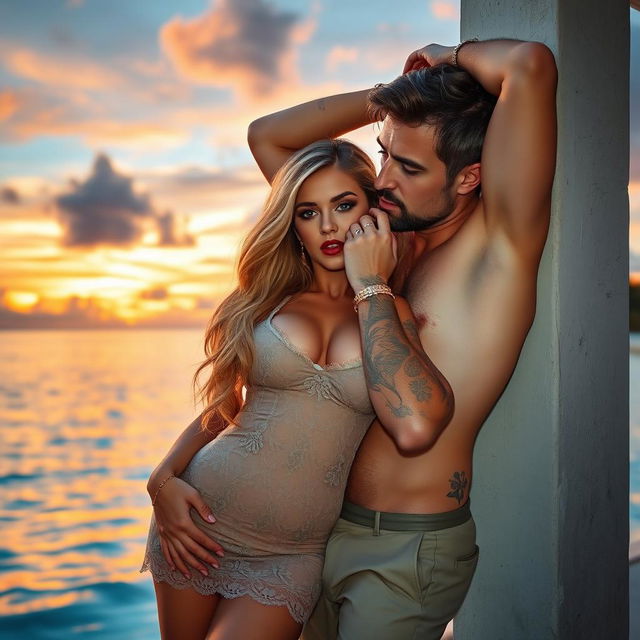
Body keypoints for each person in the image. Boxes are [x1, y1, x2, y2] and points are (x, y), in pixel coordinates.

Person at [246, 38, 557, 639]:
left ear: (470, 177)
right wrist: (388, 98)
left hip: (408, 551)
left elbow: (530, 65)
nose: (382, 180)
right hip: (315, 532)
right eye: (384, 153)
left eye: (408, 168)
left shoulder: (499, 247)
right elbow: (269, 139)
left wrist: (449, 54)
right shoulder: (380, 235)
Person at [140, 138, 454, 640]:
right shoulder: (265, 300)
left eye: (344, 205)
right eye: (309, 212)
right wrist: (161, 481)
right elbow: (224, 408)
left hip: (291, 556)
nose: (328, 226)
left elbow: (418, 420)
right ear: (293, 224)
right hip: (197, 524)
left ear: (373, 211)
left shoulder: (387, 313)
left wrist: (370, 281)